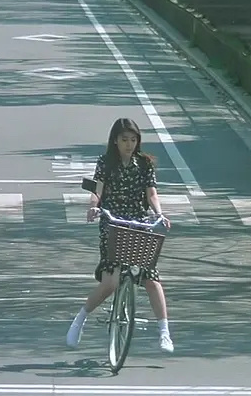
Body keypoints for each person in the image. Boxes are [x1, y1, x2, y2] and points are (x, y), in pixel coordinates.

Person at [65, 117, 174, 353]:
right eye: (124, 139)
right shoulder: (106, 162)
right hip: (113, 223)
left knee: (151, 279)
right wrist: (93, 207)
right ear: (115, 140)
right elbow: (98, 190)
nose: (129, 144)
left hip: (138, 223)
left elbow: (152, 193)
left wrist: (159, 214)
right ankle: (79, 320)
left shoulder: (144, 164)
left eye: (133, 140)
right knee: (110, 283)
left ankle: (164, 332)